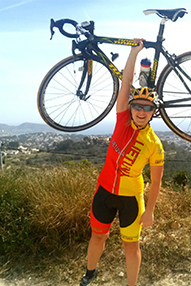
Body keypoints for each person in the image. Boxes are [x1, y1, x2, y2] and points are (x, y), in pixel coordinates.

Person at [80, 38, 165, 286]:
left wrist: (149, 211)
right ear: (130, 107)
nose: (141, 111)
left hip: (131, 200)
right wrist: (133, 53)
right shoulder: (121, 120)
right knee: (98, 237)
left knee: (131, 247)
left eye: (147, 108)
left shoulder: (155, 144)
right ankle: (90, 273)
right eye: (137, 105)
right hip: (104, 191)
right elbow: (126, 82)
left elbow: (157, 181)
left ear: (153, 112)